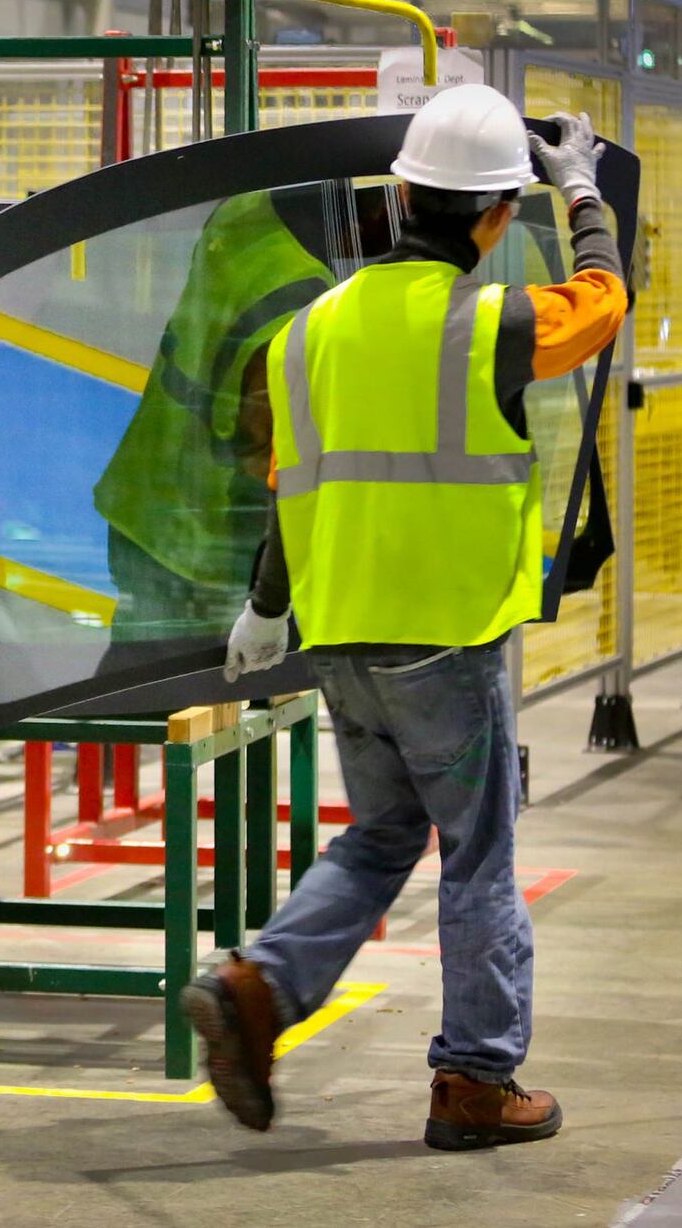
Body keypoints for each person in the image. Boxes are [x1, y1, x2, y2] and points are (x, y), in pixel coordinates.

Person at [182, 88, 627, 1151]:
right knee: (476, 851)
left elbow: (290, 487)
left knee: (383, 832)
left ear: (400, 195)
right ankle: (475, 1080)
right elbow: (602, 300)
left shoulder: (305, 333)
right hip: (447, 632)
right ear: (488, 219)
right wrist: (581, 192)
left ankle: (256, 988)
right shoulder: (493, 322)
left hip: (336, 633)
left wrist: (264, 605)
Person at [93, 189, 336, 640]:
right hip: (202, 542)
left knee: (137, 670)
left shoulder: (243, 212)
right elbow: (265, 462)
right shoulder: (301, 302)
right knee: (198, 692)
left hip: (141, 503)